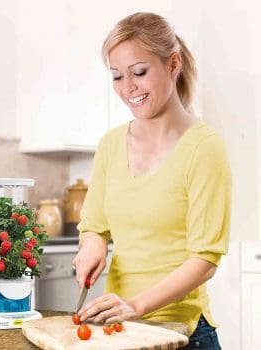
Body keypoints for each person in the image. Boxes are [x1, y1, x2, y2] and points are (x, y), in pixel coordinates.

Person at [72, 12, 231, 350]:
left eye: (139, 73)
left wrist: (137, 305)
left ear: (173, 64)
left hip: (181, 333)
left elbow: (204, 261)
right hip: (119, 331)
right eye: (117, 76)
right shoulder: (111, 145)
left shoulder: (204, 148)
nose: (128, 88)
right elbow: (94, 226)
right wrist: (92, 245)